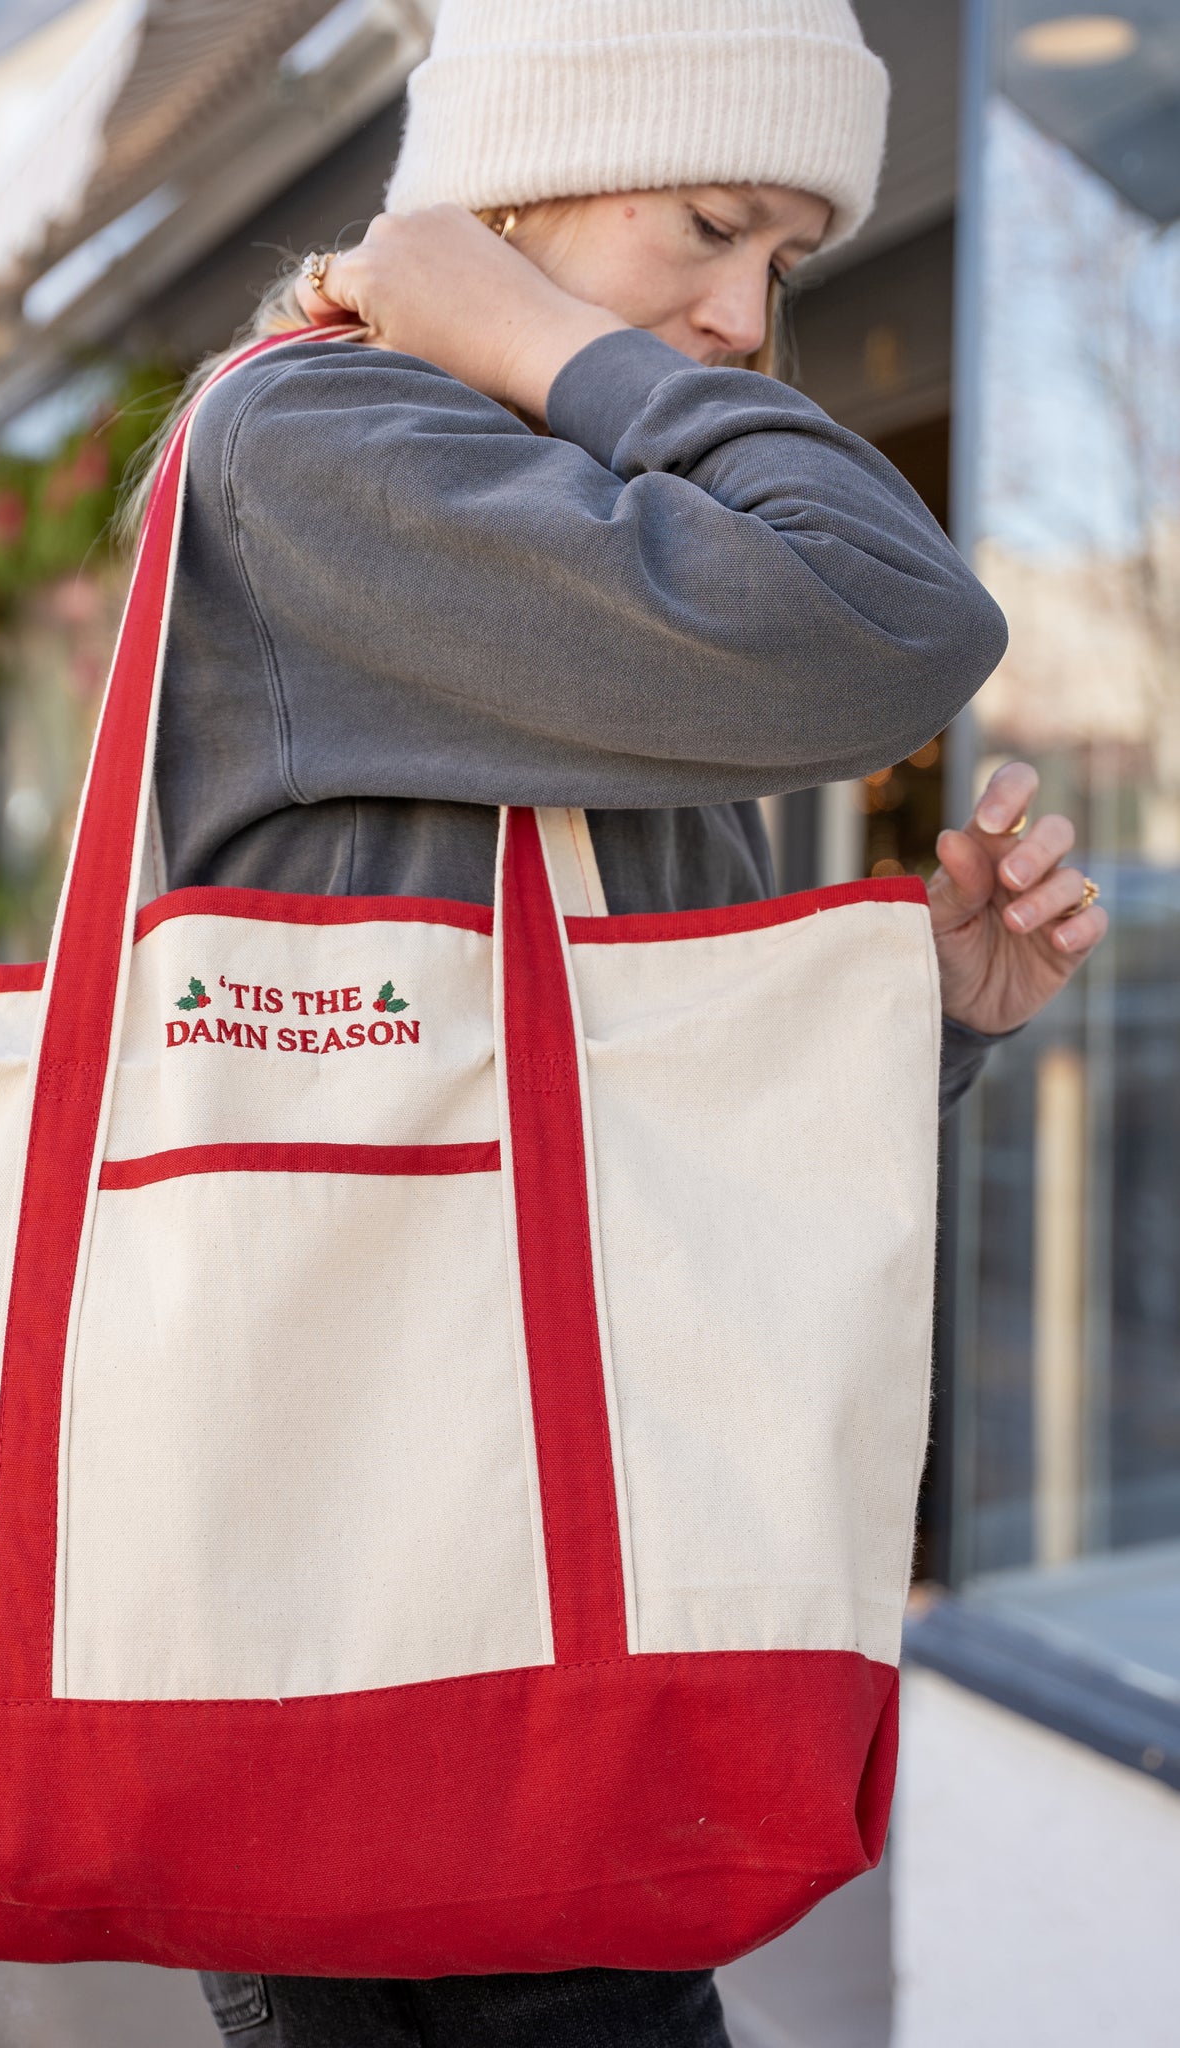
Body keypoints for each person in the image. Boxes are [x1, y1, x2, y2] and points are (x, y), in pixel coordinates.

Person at [128, 4, 1107, 2041]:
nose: (737, 316)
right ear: (515, 192)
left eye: (783, 267)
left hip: (534, 1545)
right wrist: (551, 337)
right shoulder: (322, 448)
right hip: (406, 1574)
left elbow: (650, 1082)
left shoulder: (571, 530)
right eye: (710, 225)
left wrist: (921, 1010)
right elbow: (895, 619)